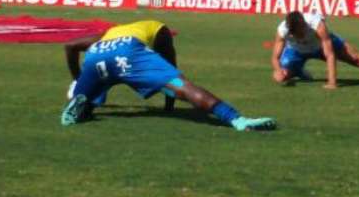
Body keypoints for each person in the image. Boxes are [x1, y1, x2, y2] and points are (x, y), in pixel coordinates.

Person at [62, 20, 276, 131]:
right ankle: (236, 119)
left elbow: (70, 45)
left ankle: (84, 103)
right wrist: (170, 98)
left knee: (93, 93)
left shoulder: (110, 32)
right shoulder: (158, 28)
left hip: (95, 56)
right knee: (181, 85)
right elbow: (169, 63)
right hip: (128, 50)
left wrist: (78, 79)